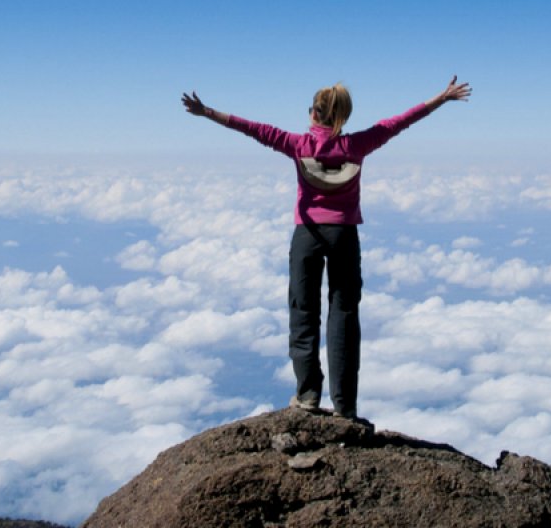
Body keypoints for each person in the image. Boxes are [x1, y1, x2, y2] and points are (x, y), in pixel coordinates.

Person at [180, 77, 473, 420]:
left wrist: (206, 112)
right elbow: (401, 121)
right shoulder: (359, 145)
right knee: (344, 316)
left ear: (316, 114)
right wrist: (441, 98)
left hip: (307, 235)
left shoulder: (297, 144)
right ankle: (345, 406)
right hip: (344, 236)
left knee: (303, 313)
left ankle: (307, 395)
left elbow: (252, 128)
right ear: (341, 117)